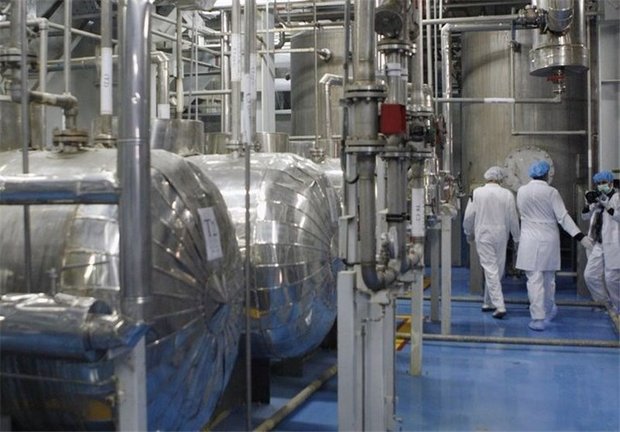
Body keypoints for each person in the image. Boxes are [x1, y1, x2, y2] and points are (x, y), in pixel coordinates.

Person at [516, 160, 593, 331]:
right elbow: (563, 218)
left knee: (533, 280)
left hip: (529, 240)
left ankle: (537, 318)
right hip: (548, 239)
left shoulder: (521, 191)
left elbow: (522, 213)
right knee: (548, 279)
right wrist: (581, 237)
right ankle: (548, 310)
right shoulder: (551, 192)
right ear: (546, 174)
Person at [463, 166, 520, 319]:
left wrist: (468, 233)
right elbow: (513, 218)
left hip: (483, 235)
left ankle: (496, 305)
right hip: (501, 235)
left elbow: (469, 216)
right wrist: (517, 238)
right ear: (500, 179)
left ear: (487, 177)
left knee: (491, 269)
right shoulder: (507, 194)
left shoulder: (477, 193)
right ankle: (492, 303)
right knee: (497, 269)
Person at [581, 170, 620, 314]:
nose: (600, 185)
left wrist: (608, 206)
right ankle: (605, 304)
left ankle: (618, 308)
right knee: (590, 275)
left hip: (613, 243)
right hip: (597, 243)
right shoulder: (597, 199)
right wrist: (588, 204)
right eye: (598, 183)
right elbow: (585, 217)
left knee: (611, 279)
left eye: (603, 183)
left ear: (611, 183)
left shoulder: (617, 198)